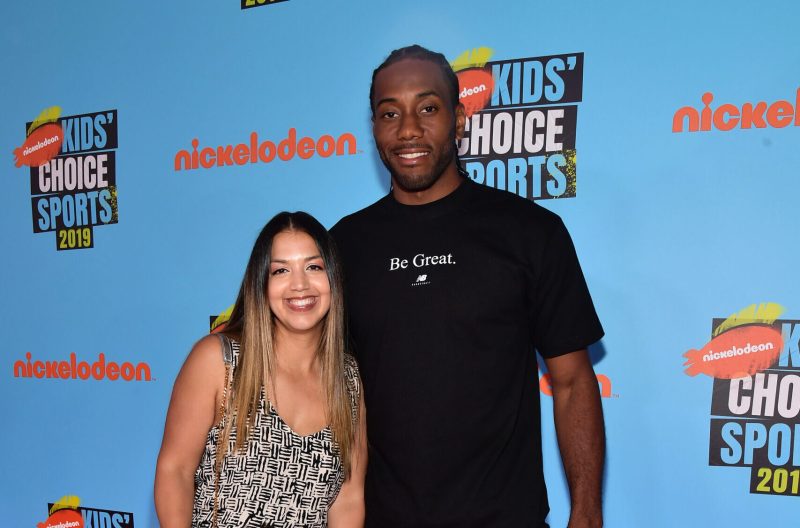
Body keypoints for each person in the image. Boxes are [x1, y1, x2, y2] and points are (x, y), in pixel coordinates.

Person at [330, 45, 605, 528]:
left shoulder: (530, 231)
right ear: (374, 127)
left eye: (428, 108)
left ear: (459, 119)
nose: (408, 129)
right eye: (389, 113)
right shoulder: (341, 246)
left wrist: (586, 510)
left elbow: (573, 381)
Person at [155, 211, 367, 528]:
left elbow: (348, 499)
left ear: (333, 278)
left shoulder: (348, 379)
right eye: (281, 270)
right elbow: (175, 471)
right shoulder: (220, 361)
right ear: (262, 284)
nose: (300, 284)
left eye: (314, 267)